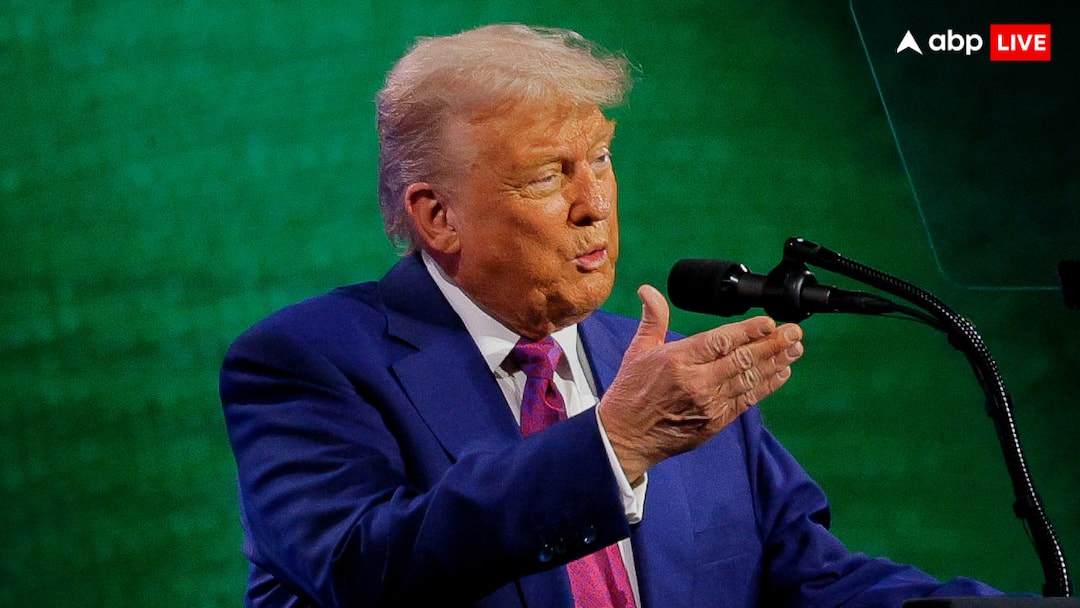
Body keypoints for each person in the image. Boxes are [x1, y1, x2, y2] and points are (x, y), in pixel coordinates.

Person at [220, 23, 1004, 607]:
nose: (594, 203)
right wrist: (615, 445)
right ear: (438, 217)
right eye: (546, 175)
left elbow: (810, 578)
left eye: (599, 156)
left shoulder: (671, 380)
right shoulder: (307, 362)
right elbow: (365, 569)